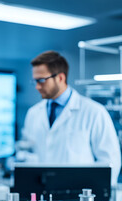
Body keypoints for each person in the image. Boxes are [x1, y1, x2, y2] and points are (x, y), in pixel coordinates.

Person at [22, 50, 121, 185]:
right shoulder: (33, 113)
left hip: (78, 200)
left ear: (60, 78)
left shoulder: (94, 112)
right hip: (42, 197)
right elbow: (29, 154)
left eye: (41, 80)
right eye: (34, 81)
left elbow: (111, 162)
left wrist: (92, 200)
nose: (37, 87)